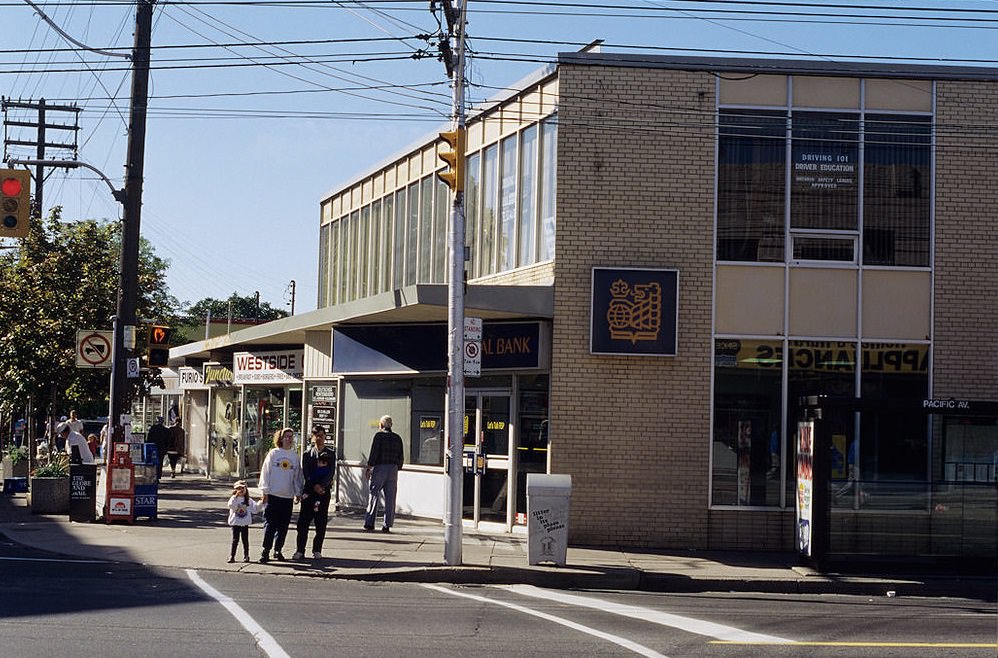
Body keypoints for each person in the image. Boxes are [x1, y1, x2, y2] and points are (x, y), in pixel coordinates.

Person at [258, 427, 303, 563]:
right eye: (286, 436)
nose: (289, 439)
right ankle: (266, 550)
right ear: (281, 439)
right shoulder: (274, 454)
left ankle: (278, 550)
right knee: (270, 525)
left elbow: (297, 477)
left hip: (287, 497)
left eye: (291, 437)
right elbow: (265, 473)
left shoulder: (294, 457)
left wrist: (298, 492)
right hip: (273, 495)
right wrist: (264, 491)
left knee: (283, 526)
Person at [293, 426, 336, 560]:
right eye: (316, 435)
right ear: (312, 437)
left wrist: (322, 486)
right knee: (303, 523)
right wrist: (314, 485)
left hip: (323, 492)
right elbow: (306, 473)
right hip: (309, 492)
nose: (319, 438)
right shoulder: (307, 454)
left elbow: (331, 472)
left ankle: (317, 550)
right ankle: (300, 550)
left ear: (325, 437)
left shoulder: (330, 453)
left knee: (321, 522)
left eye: (321, 435)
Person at [364, 415, 404, 533]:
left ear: (381, 425)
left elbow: (374, 452)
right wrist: (397, 467)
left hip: (380, 467)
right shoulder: (397, 438)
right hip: (393, 468)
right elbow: (401, 455)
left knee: (374, 494)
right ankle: (387, 524)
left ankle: (370, 523)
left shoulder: (379, 436)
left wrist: (369, 467)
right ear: (391, 425)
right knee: (390, 497)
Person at [227, 480, 263, 563]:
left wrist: (261, 502)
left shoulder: (248, 500)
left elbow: (255, 509)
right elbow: (230, 505)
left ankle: (246, 555)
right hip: (236, 523)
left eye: (242, 489)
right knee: (235, 540)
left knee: (245, 540)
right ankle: (232, 556)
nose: (241, 491)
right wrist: (234, 497)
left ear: (246, 489)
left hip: (244, 523)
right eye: (238, 489)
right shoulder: (234, 499)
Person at [146, 416, 171, 480]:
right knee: (160, 462)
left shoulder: (153, 428)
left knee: (153, 461)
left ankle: (153, 474)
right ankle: (158, 475)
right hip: (162, 449)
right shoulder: (166, 430)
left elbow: (149, 438)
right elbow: (168, 441)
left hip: (153, 447)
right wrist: (166, 449)